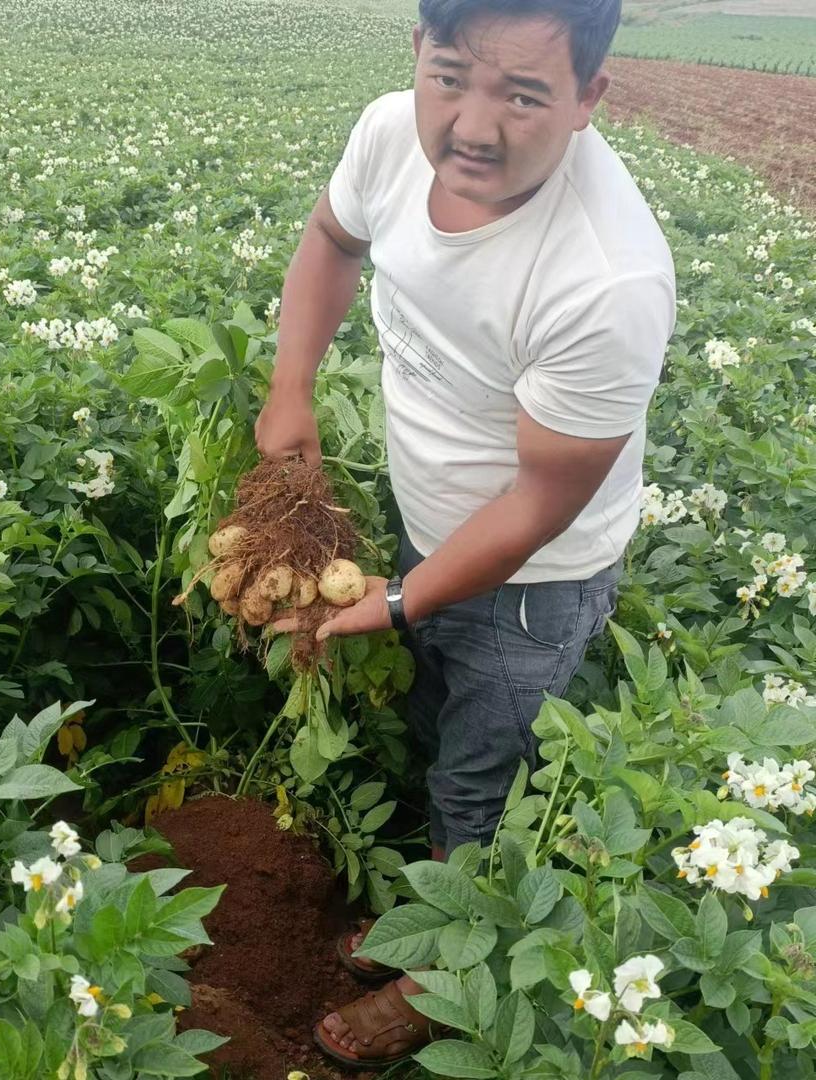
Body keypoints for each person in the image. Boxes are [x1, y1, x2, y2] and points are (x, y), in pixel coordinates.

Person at [254, 0, 676, 1067]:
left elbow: (543, 504)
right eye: (453, 77)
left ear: (589, 99)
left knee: (480, 780)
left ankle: (448, 974)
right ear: (418, 56)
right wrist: (290, 388)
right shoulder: (392, 131)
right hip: (429, 520)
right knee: (441, 730)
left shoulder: (606, 279)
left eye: (524, 94)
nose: (473, 126)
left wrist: (401, 599)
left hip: (534, 579)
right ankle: (430, 920)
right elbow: (332, 237)